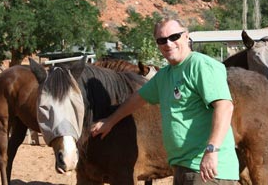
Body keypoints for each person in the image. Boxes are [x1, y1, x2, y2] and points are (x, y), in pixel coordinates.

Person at [91, 17, 239, 185]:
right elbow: (138, 98)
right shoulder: (166, 75)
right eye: (162, 40)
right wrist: (110, 122)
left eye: (174, 37)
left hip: (206, 170)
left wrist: (212, 150)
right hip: (183, 167)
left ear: (186, 36)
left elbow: (225, 107)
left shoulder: (200, 65)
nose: (168, 43)